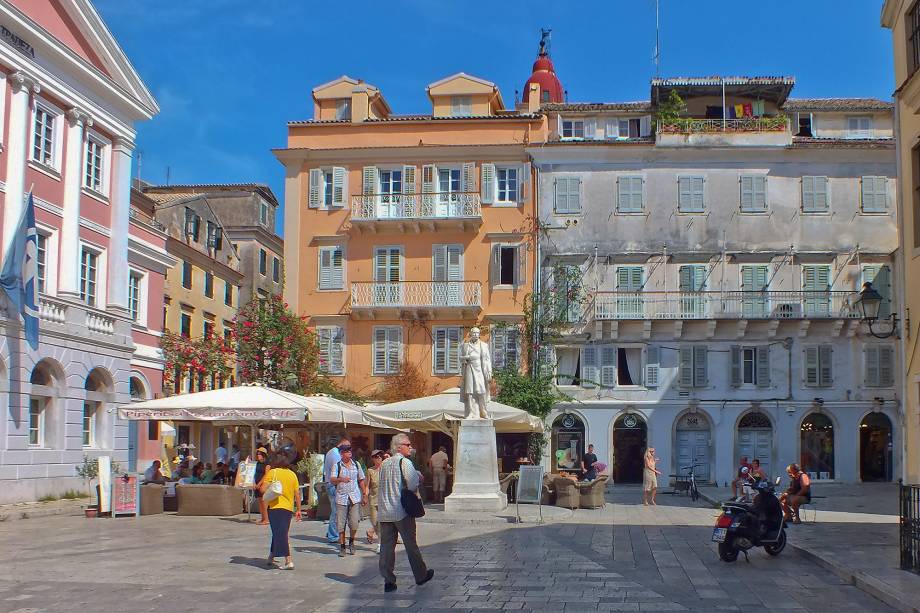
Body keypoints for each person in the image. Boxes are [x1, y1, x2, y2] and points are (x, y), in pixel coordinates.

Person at [378, 433, 434, 593]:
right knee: (410, 545)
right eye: (408, 445)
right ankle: (421, 575)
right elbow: (412, 484)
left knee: (387, 547)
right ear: (399, 447)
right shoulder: (405, 462)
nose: (410, 447)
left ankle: (388, 580)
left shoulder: (385, 463)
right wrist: (418, 475)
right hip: (401, 510)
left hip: (385, 511)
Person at [261, 452, 301, 570]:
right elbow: (297, 494)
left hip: (274, 507)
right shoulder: (293, 475)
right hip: (288, 508)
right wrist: (298, 509)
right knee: (279, 532)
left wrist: (271, 485)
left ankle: (288, 560)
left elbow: (262, 489)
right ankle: (271, 556)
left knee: (280, 533)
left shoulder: (273, 473)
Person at [331, 443, 367, 557]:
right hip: (341, 497)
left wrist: (364, 494)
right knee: (341, 524)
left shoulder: (356, 464)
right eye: (347, 451)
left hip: (354, 497)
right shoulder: (337, 466)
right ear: (341, 453)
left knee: (354, 522)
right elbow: (332, 480)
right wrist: (341, 479)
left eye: (350, 450)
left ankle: (351, 541)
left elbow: (361, 479)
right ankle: (342, 546)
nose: (349, 452)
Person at [324, 437, 349, 544]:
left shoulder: (331, 452)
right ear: (342, 444)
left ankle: (332, 532)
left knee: (336, 511)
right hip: (334, 486)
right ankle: (333, 535)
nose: (349, 449)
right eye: (347, 446)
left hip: (331, 484)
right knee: (337, 512)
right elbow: (338, 470)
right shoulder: (335, 454)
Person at [366, 450, 384, 547]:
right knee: (374, 522)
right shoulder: (370, 471)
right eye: (376, 457)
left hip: (384, 500)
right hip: (373, 499)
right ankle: (372, 532)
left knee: (381, 523)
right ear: (373, 458)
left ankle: (380, 544)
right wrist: (365, 496)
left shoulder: (385, 469)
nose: (379, 458)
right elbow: (367, 486)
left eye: (380, 456)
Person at [253, 447, 271, 525]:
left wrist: (260, 483)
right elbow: (254, 473)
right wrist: (254, 483)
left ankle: (266, 519)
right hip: (257, 483)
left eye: (259, 454)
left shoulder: (267, 464)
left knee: (264, 502)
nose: (258, 455)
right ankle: (262, 518)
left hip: (263, 484)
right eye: (257, 454)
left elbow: (266, 474)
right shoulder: (257, 463)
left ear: (263, 455)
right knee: (260, 502)